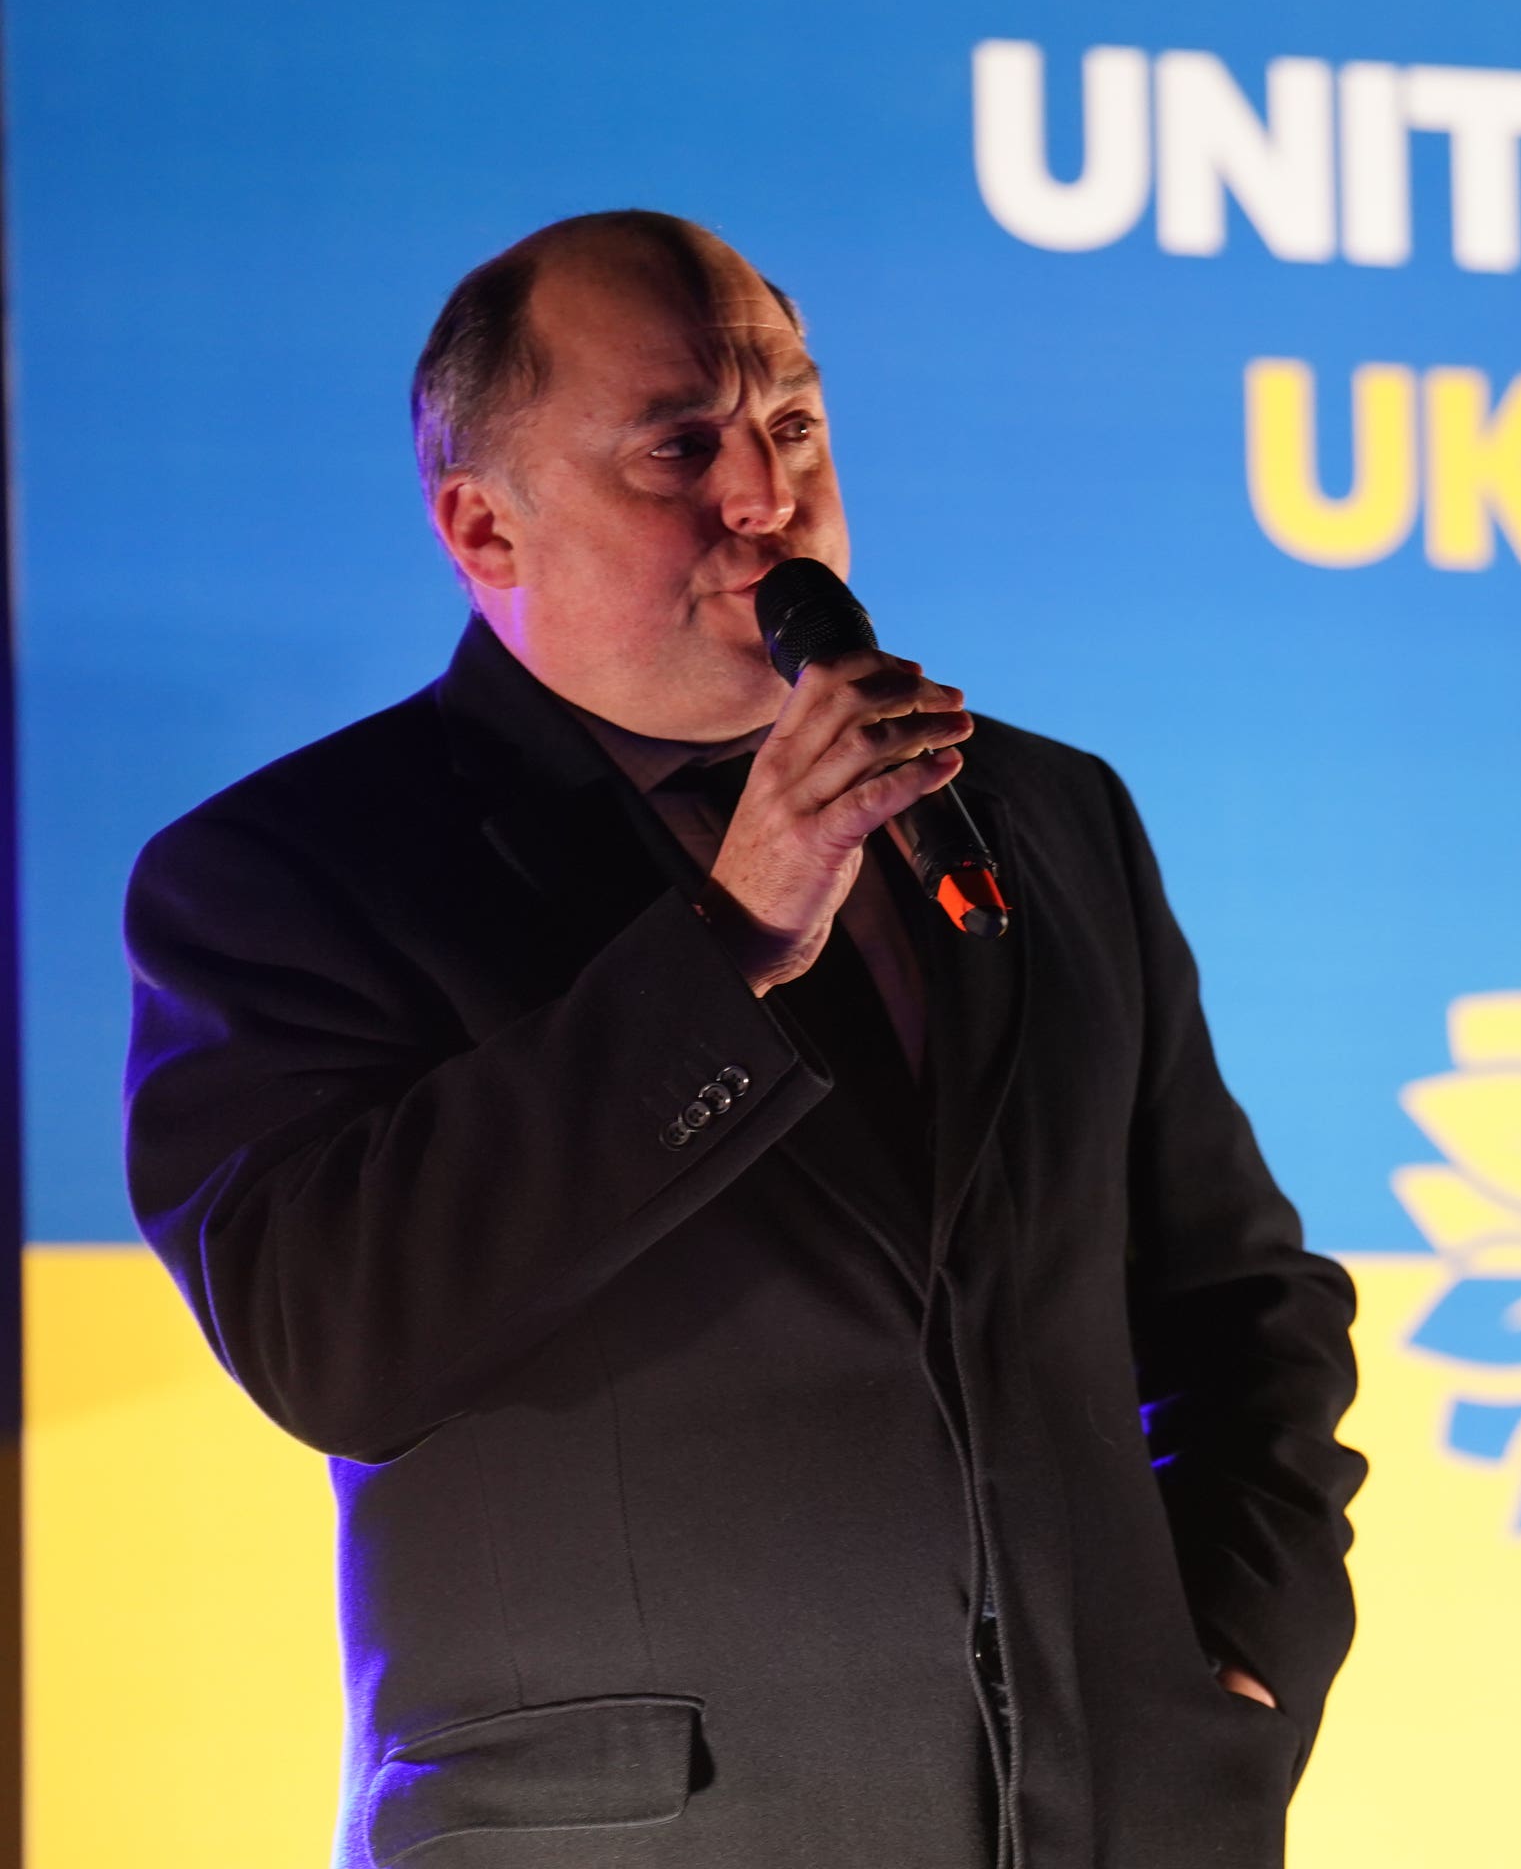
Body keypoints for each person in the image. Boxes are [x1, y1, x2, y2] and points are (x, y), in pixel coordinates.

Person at [120, 210, 1364, 1868]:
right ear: (485, 528)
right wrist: (730, 943)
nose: (764, 501)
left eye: (790, 424)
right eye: (678, 446)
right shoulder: (285, 873)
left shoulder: (1046, 812)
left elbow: (1242, 1311)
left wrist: (1231, 1681)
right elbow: (334, 1339)